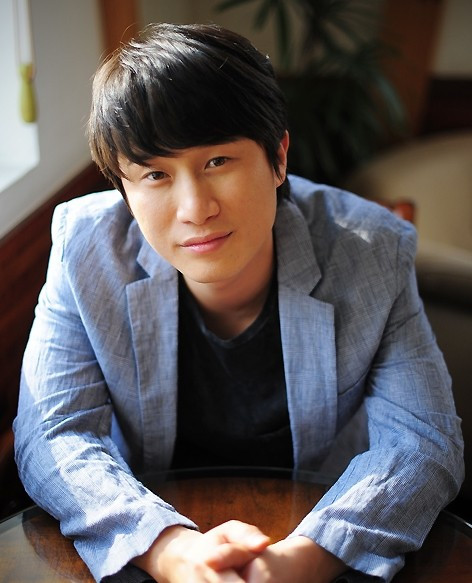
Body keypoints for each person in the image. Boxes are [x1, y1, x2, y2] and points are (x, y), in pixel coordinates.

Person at [14, 22, 464, 583]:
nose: (194, 209)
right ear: (123, 188)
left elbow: (424, 443)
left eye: (218, 162)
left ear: (278, 158)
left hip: (318, 525)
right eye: (155, 174)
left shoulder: (371, 252)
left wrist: (299, 561)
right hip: (150, 529)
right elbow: (54, 434)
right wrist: (170, 550)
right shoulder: (84, 249)